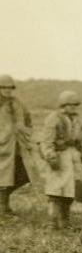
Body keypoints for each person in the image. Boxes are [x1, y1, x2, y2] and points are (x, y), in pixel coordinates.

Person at [39, 90, 82, 229]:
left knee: (70, 192)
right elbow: (47, 141)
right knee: (55, 192)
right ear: (63, 105)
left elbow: (80, 140)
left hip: (73, 157)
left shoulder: (77, 120)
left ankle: (65, 221)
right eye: (69, 105)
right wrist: (51, 157)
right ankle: (53, 222)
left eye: (75, 105)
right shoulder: (54, 118)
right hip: (59, 156)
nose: (72, 108)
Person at [0, 75, 34, 216]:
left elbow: (27, 119)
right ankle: (2, 207)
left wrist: (26, 133)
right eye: (4, 87)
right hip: (2, 146)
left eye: (10, 87)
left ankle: (4, 203)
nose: (7, 90)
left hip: (17, 146)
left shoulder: (17, 103)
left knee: (21, 175)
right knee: (2, 177)